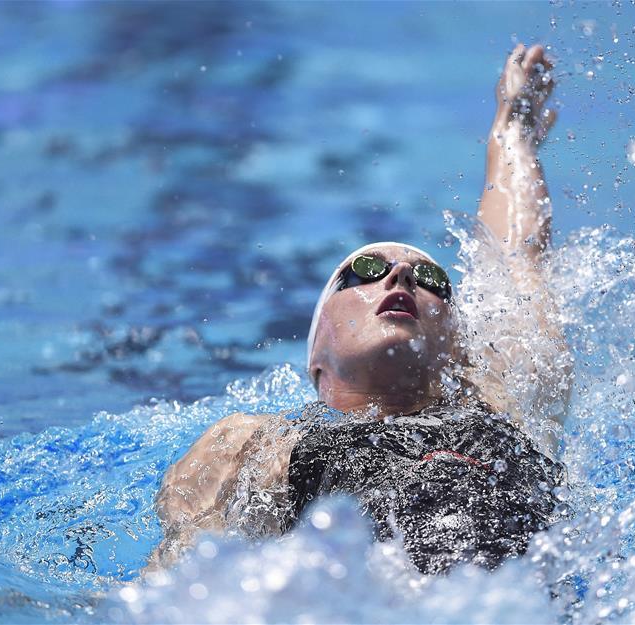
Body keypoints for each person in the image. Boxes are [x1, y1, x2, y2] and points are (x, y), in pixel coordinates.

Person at [147, 43, 573, 575]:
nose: (399, 277)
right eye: (364, 272)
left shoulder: (502, 405)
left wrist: (512, 132)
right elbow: (176, 581)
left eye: (433, 280)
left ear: (459, 349)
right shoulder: (257, 446)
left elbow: (517, 263)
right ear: (316, 357)